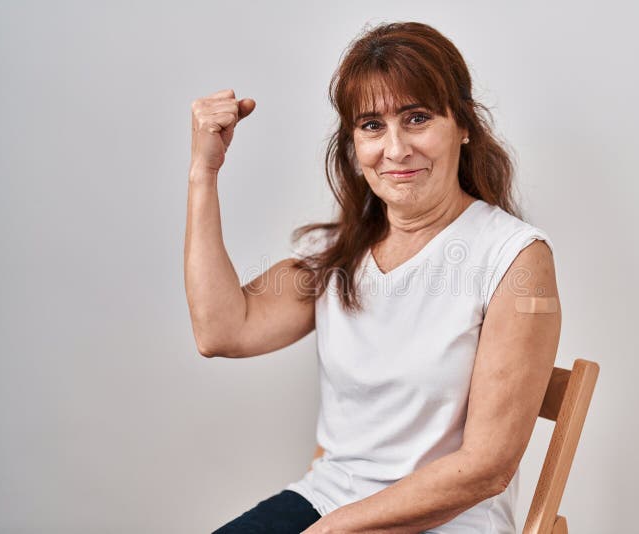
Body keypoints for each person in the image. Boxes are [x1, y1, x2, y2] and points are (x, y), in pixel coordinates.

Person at [186, 21, 562, 534]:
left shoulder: (516, 259)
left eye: (417, 118)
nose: (396, 148)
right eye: (372, 125)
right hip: (326, 501)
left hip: (446, 523)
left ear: (464, 124)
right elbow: (221, 331)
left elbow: (486, 468)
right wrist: (203, 175)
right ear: (353, 143)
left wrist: (336, 530)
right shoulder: (337, 253)